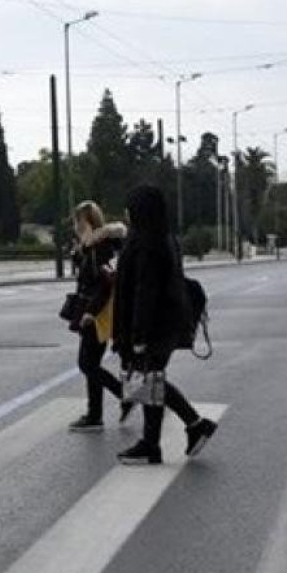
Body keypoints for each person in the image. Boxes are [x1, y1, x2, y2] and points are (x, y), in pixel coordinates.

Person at [112, 185, 218, 465]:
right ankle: (176, 434)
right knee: (152, 380)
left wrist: (138, 335)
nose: (127, 212)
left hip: (155, 326)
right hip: (167, 322)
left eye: (131, 207)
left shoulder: (147, 242)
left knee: (151, 379)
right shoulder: (162, 236)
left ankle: (185, 429)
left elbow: (144, 291)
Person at [68, 201, 127, 432]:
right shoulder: (90, 247)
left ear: (89, 222)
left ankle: (124, 395)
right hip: (93, 312)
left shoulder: (100, 247)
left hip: (98, 314)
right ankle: (95, 414)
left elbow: (105, 283)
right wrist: (79, 251)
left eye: (78, 221)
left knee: (87, 363)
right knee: (91, 363)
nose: (76, 226)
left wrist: (91, 312)